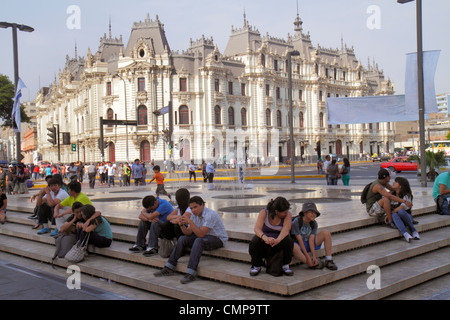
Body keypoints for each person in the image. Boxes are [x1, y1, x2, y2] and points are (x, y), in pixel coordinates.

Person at [154, 196, 228, 284]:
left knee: (198, 241)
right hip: (204, 237)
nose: (193, 210)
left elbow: (201, 234)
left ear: (202, 205)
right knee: (182, 239)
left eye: (195, 207)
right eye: (191, 208)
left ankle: (191, 273)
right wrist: (181, 225)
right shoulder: (194, 215)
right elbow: (188, 233)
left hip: (217, 239)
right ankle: (169, 267)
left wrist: (189, 222)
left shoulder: (210, 215)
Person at [248, 197, 294, 277]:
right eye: (284, 212)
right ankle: (256, 265)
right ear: (277, 211)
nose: (286, 213)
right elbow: (257, 229)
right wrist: (265, 237)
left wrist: (278, 240)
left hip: (279, 241)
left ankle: (285, 265)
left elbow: (286, 230)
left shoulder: (288, 215)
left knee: (288, 240)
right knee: (255, 240)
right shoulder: (264, 213)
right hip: (266, 241)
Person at [291, 202, 338, 270]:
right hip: (299, 244)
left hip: (308, 243)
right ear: (304, 213)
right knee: (293, 247)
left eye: (315, 213)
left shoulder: (314, 223)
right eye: (311, 212)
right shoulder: (296, 222)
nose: (314, 214)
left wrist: (314, 256)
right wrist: (307, 256)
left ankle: (329, 260)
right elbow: (299, 239)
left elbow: (311, 239)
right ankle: (310, 263)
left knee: (326, 233)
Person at [390, 177, 420, 242]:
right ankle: (406, 234)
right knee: (394, 215)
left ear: (400, 186)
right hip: (396, 218)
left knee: (400, 211)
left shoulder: (407, 195)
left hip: (406, 217)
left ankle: (413, 230)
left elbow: (402, 207)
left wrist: (391, 212)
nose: (393, 183)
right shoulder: (391, 195)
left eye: (396, 182)